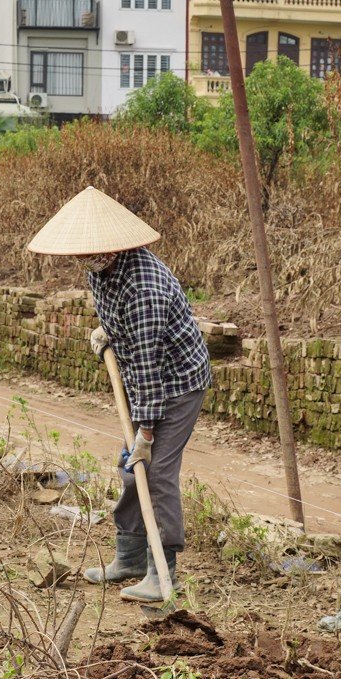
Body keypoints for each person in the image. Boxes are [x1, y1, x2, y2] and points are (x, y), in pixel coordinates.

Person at [27, 186, 212, 602]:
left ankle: (163, 571)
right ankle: (128, 556)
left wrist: (145, 434)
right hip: (143, 375)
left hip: (178, 382)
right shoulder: (102, 268)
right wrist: (108, 332)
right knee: (131, 468)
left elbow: (148, 368)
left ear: (112, 247)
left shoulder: (144, 288)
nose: (81, 260)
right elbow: (123, 329)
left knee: (156, 471)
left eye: (87, 252)